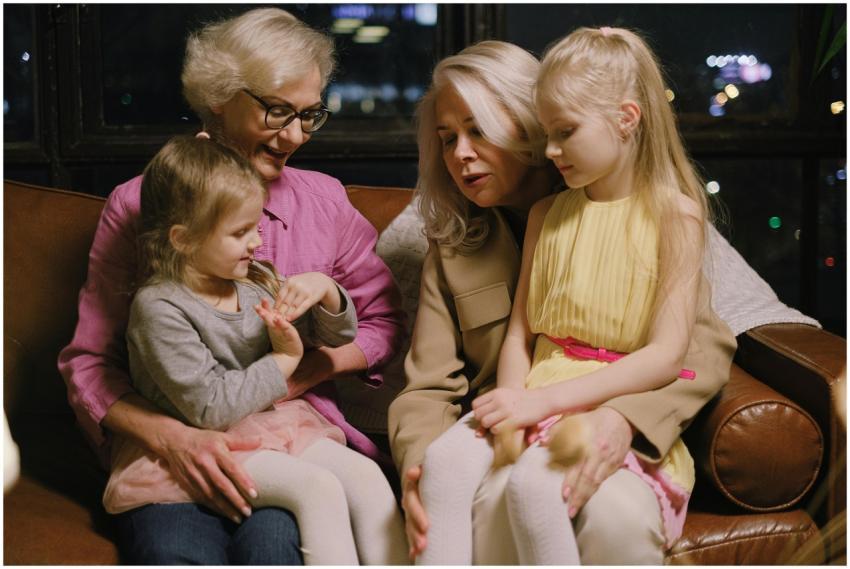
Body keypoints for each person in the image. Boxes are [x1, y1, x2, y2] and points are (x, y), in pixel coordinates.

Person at [58, 8, 405, 564]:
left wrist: (309, 367)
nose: (294, 134)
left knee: (275, 547)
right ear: (220, 96)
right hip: (173, 444)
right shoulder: (140, 203)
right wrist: (174, 438)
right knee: (175, 552)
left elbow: (384, 323)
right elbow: (90, 363)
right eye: (277, 110)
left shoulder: (324, 202)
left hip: (291, 436)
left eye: (310, 114)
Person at [387, 39, 737, 564]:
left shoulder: (619, 197)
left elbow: (697, 351)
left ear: (530, 127)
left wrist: (623, 419)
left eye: (478, 130)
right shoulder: (455, 243)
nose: (460, 154)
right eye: (446, 139)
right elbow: (428, 385)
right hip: (509, 422)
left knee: (595, 508)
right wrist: (419, 471)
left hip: (593, 413)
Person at [101, 135, 406, 565]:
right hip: (207, 441)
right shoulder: (159, 308)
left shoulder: (253, 279)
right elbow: (210, 408)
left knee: (366, 477)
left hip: (274, 428)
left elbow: (330, 337)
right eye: (240, 232)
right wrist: (283, 361)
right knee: (317, 489)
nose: (257, 242)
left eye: (255, 227)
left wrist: (328, 293)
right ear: (183, 239)